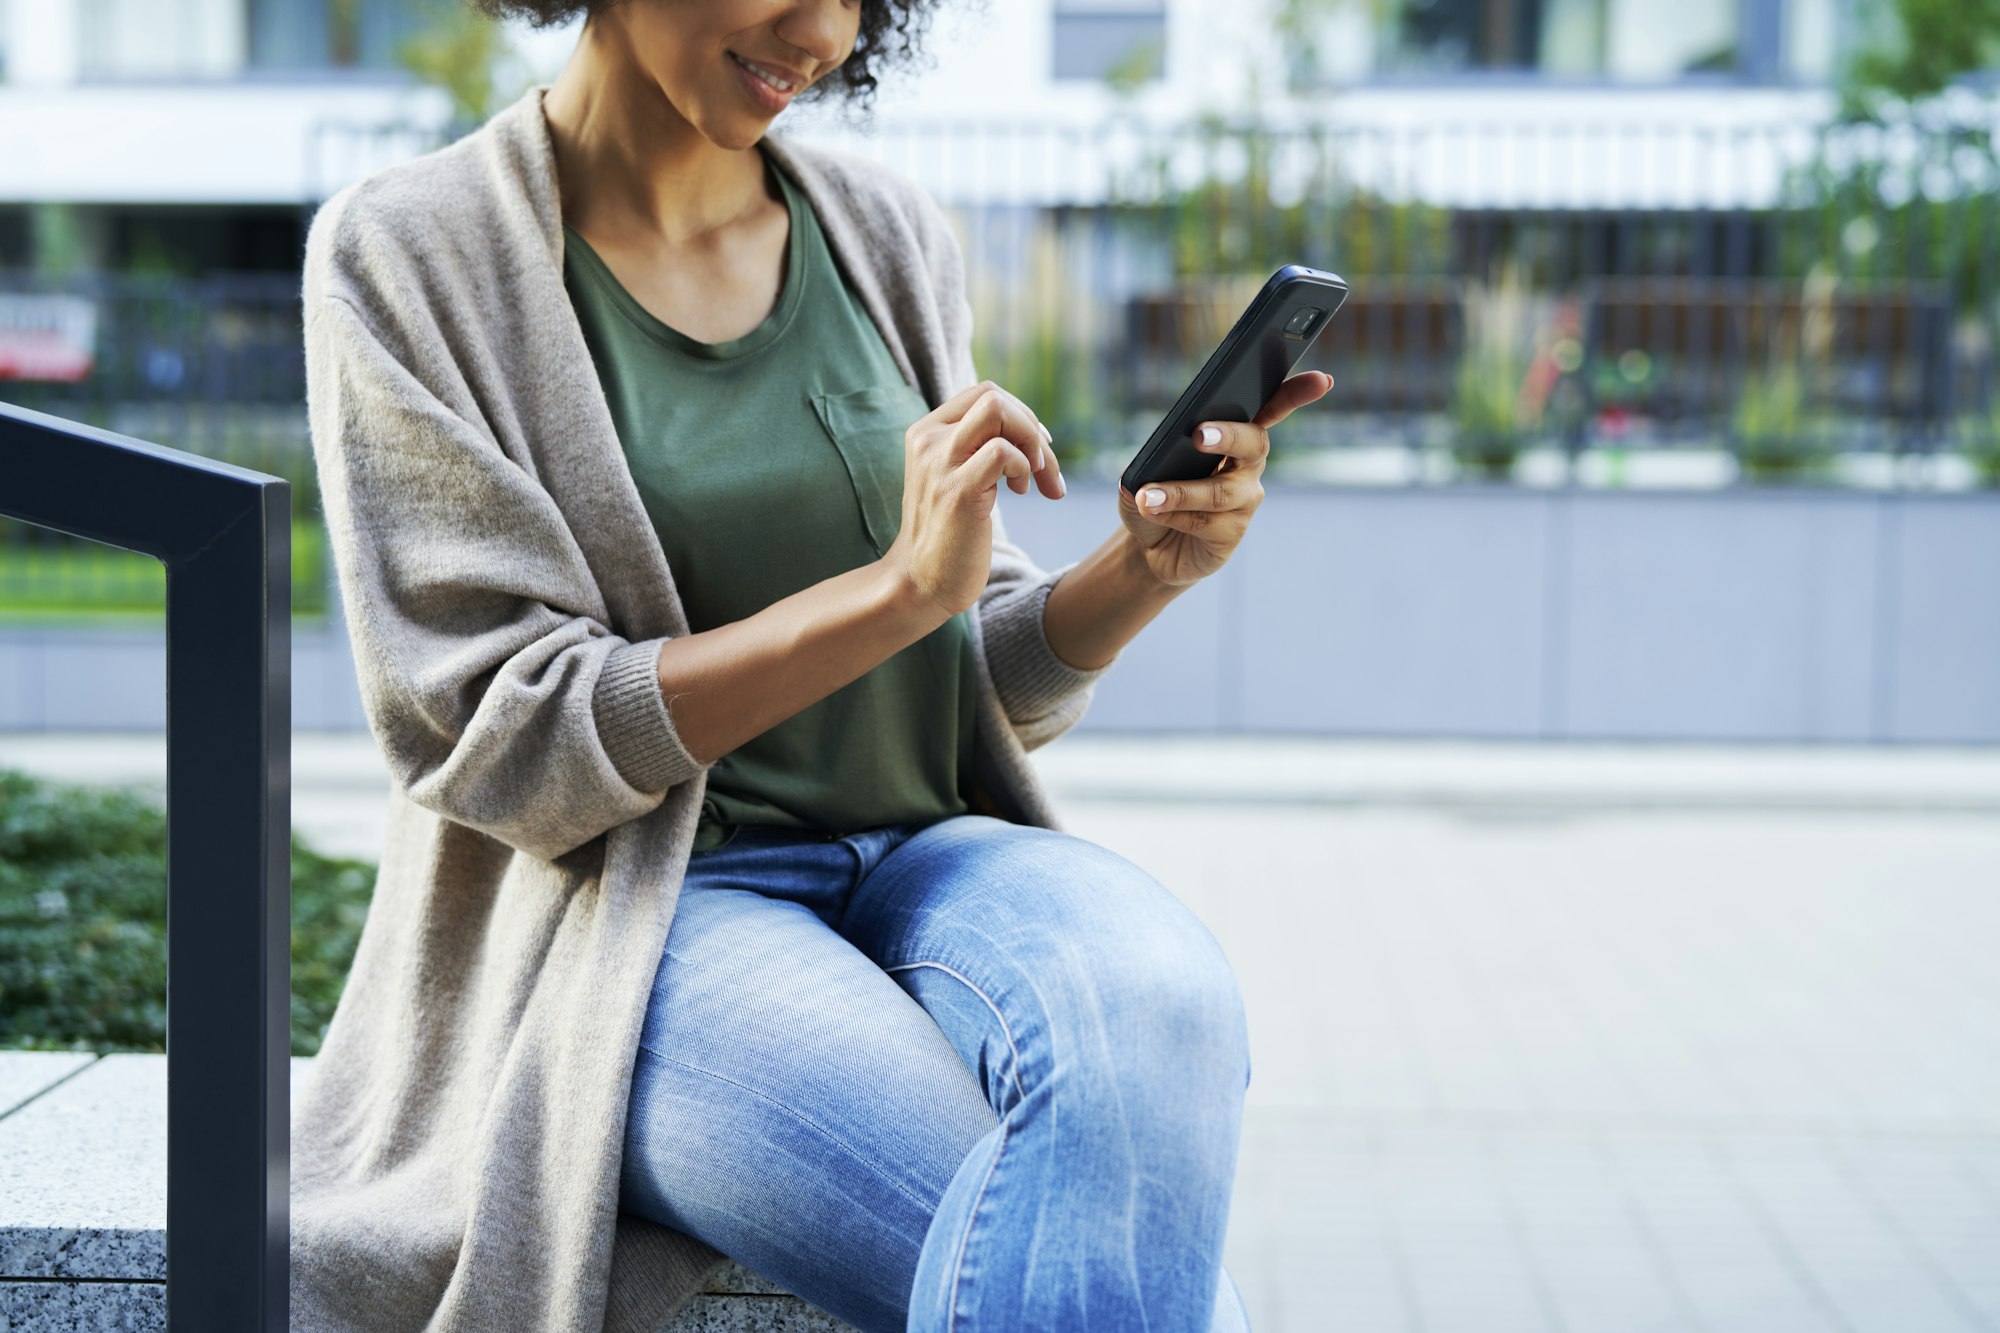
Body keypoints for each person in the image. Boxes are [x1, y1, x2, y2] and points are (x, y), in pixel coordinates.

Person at [293, 0, 1334, 1329]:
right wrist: (890, 592)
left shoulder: (881, 230)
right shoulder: (411, 255)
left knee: (1167, 997)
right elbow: (497, 735)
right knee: (1117, 1263)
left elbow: (970, 665)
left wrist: (1140, 568)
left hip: (927, 852)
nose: (824, 29)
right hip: (645, 918)